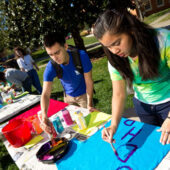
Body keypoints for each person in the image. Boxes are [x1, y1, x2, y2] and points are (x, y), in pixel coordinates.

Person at [93, 9, 170, 145]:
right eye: (108, 47)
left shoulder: (163, 40)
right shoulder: (114, 58)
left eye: (117, 43)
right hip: (143, 105)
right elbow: (118, 94)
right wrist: (114, 125)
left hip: (168, 102)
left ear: (131, 31)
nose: (114, 51)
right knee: (155, 145)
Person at [40, 32, 95, 133]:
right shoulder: (51, 67)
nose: (55, 58)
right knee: (73, 128)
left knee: (91, 125)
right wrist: (44, 115)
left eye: (57, 52)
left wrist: (89, 104)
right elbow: (45, 94)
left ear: (65, 46)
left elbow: (89, 82)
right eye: (50, 55)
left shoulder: (81, 56)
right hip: (68, 97)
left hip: (84, 95)